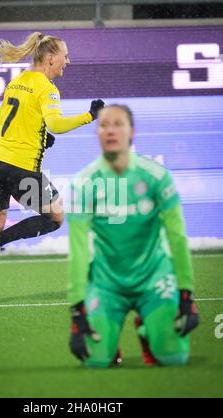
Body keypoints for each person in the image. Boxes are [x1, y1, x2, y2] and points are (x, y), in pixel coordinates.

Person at [0, 31, 104, 306]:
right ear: (51, 58)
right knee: (55, 217)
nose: (68, 61)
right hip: (21, 168)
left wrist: (39, 138)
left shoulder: (18, 81)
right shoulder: (47, 87)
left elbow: (7, 123)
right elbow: (56, 124)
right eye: (65, 56)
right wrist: (90, 116)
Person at [67, 104, 199, 368]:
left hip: (154, 279)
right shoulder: (83, 183)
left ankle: (145, 329)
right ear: (97, 133)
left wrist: (187, 294)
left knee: (174, 358)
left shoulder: (157, 176)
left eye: (118, 124)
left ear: (132, 132)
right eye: (104, 125)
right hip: (107, 284)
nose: (111, 130)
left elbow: (177, 237)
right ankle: (110, 342)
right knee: (94, 361)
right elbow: (78, 249)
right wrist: (76, 310)